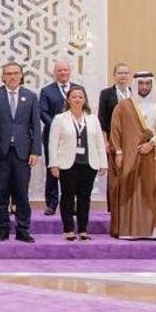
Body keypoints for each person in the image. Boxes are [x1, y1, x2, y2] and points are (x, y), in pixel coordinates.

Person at [110, 71, 156, 240]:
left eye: (148, 83)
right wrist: (119, 152)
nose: (144, 87)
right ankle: (129, 230)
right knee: (131, 191)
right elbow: (116, 131)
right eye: (141, 83)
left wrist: (151, 144)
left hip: (153, 157)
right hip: (130, 158)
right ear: (136, 85)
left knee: (151, 191)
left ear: (152, 85)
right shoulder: (123, 105)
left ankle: (153, 230)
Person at [0, 61, 42, 243]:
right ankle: (2, 229)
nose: (12, 76)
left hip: (23, 153)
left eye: (15, 73)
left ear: (21, 75)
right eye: (8, 73)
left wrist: (36, 151)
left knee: (22, 193)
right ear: (2, 76)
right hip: (1, 153)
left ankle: (23, 229)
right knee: (1, 192)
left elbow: (35, 125)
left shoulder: (31, 96)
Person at [48, 85, 106, 241]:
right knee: (67, 196)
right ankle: (68, 229)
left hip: (88, 163)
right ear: (68, 99)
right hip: (67, 163)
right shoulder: (60, 119)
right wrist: (53, 164)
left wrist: (103, 163)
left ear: (85, 99)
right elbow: (53, 143)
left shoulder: (92, 119)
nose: (77, 99)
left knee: (84, 197)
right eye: (74, 97)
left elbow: (99, 142)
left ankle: (83, 229)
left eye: (80, 96)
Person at [39, 59, 82, 216]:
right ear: (54, 73)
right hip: (53, 137)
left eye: (65, 70)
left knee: (75, 170)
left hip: (75, 137)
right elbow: (43, 112)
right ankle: (51, 203)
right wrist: (59, 127)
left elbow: (85, 111)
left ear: (70, 71)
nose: (63, 73)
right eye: (59, 70)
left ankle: (73, 203)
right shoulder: (46, 91)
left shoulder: (79, 89)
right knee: (53, 169)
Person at [98, 62, 134, 217]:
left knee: (130, 172)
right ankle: (113, 207)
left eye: (126, 73)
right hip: (113, 139)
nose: (123, 76)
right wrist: (105, 140)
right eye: (120, 73)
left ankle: (129, 206)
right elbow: (102, 119)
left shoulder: (134, 93)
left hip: (132, 140)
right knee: (114, 174)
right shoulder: (106, 94)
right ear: (114, 75)